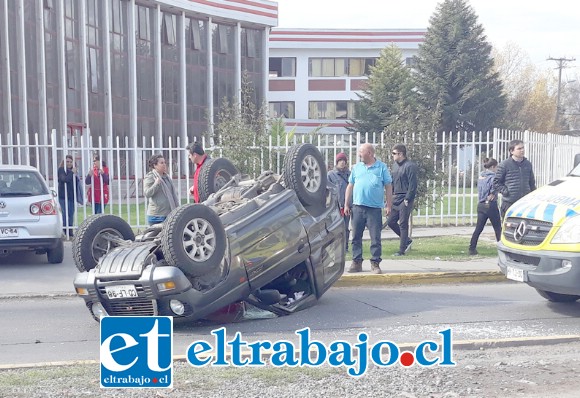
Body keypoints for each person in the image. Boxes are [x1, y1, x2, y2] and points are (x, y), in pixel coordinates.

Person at [344, 143, 393, 274]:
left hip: (374, 209)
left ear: (370, 153)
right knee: (356, 237)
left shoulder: (381, 167)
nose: (359, 154)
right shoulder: (357, 168)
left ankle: (375, 263)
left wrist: (389, 205)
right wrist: (346, 204)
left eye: (361, 152)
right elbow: (350, 186)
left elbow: (388, 186)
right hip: (358, 207)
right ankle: (356, 262)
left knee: (375, 238)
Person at [493, 139, 536, 221]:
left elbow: (532, 183)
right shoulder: (504, 164)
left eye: (523, 148)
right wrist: (506, 191)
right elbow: (496, 183)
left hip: (525, 203)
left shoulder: (528, 164)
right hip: (509, 203)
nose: (522, 150)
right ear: (511, 151)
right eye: (519, 149)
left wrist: (533, 196)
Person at [387, 144, 418, 256]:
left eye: (394, 153)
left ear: (401, 154)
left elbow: (413, 184)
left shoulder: (410, 166)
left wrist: (408, 198)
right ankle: (407, 240)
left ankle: (402, 250)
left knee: (403, 223)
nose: (393, 156)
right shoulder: (395, 166)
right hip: (396, 197)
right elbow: (392, 182)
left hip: (405, 198)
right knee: (391, 221)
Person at [469, 158, 502, 255]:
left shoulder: (481, 176)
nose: (497, 169)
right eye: (497, 167)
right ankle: (501, 249)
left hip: (481, 204)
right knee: (497, 228)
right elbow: (495, 188)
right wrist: (493, 193)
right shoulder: (493, 177)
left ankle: (472, 248)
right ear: (493, 167)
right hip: (491, 204)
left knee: (479, 228)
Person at [143, 154, 180, 225]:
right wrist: (156, 184)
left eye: (165, 162)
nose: (164, 165)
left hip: (169, 214)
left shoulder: (167, 177)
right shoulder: (150, 177)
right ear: (155, 165)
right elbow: (147, 193)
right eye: (161, 163)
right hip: (156, 216)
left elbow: (172, 194)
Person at [328, 152, 352, 251]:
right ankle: (335, 247)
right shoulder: (331, 175)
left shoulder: (350, 174)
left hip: (347, 206)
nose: (342, 163)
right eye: (340, 161)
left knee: (345, 227)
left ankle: (345, 247)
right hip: (335, 206)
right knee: (335, 228)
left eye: (344, 161)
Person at [58, 155, 82, 237]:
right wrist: (72, 173)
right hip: (63, 196)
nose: (69, 163)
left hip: (72, 196)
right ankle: (65, 231)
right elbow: (64, 179)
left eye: (70, 162)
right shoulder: (61, 170)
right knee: (65, 214)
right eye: (67, 162)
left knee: (71, 214)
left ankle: (70, 231)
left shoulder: (74, 172)